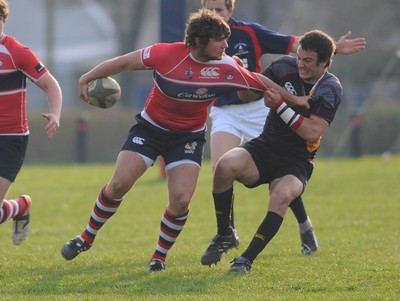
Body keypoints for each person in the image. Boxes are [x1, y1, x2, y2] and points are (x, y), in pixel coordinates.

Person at [60, 8, 309, 272]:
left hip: (187, 138)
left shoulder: (226, 66)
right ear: (200, 41)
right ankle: (85, 238)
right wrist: (87, 76)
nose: (226, 45)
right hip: (150, 130)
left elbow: (260, 82)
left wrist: (296, 100)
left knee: (180, 199)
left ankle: (159, 257)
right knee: (119, 184)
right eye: (220, 40)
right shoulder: (164, 54)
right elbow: (122, 62)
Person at [200, 0, 366, 264]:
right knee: (222, 168)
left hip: (286, 145)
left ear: (230, 11)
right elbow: (254, 82)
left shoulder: (329, 87)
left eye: (219, 9)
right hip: (231, 113)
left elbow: (311, 132)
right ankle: (225, 234)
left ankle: (267, 247)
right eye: (209, 9)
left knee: (282, 192)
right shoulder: (199, 38)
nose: (214, 15)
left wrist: (279, 102)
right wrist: (245, 82)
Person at [0, 0, 62, 245]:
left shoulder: (16, 52)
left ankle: (21, 205)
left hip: (11, 140)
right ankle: (19, 207)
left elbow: (50, 85)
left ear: (3, 21)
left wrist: (55, 114)